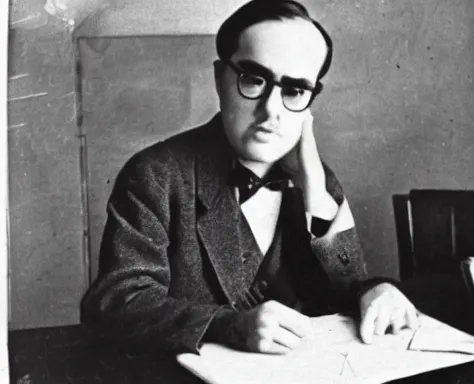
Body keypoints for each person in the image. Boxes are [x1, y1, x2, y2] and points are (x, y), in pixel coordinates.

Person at [80, 0, 418, 355]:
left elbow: (345, 288)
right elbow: (116, 302)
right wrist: (229, 326)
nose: (271, 109)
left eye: (294, 91)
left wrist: (375, 290)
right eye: (253, 80)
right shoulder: (155, 175)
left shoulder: (316, 179)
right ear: (219, 78)